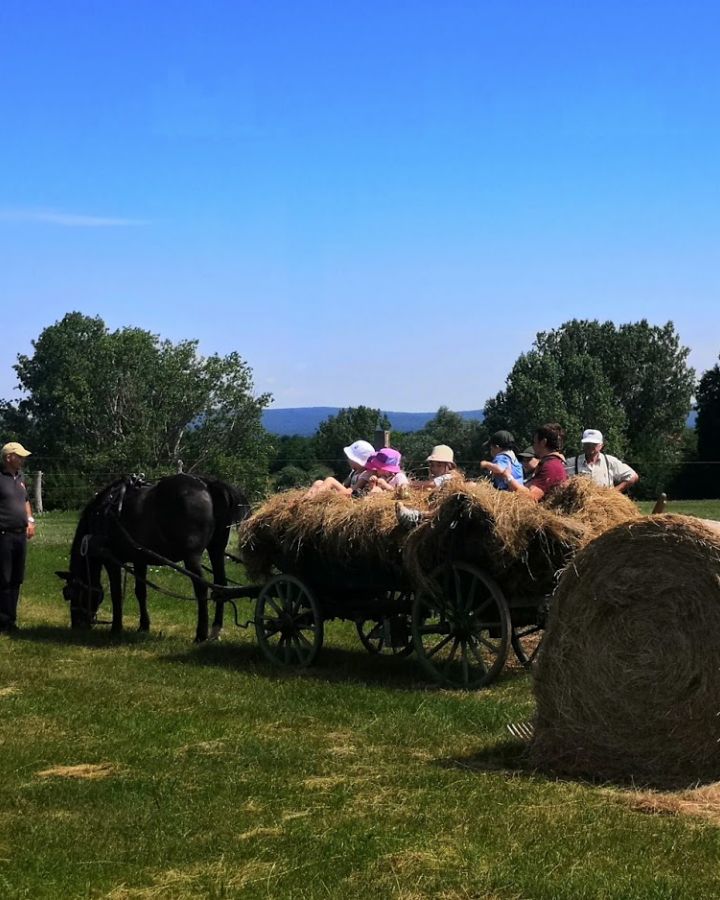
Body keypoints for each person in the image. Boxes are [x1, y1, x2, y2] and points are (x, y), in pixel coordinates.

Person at [0, 442, 36, 634]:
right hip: (3, 535)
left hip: (20, 535)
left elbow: (25, 501)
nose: (22, 459)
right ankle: (3, 621)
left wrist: (30, 520)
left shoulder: (20, 478)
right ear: (8, 457)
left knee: (16, 578)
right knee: (4, 578)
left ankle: (11, 618)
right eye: (19, 456)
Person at [497, 423, 568, 501]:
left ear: (543, 442)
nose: (533, 446)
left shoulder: (552, 467)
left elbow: (531, 497)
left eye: (534, 442)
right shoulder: (550, 463)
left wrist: (508, 477)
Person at [565, 429, 639, 493]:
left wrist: (613, 493)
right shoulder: (571, 463)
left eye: (594, 444)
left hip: (604, 504)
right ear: (583, 444)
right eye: (587, 443)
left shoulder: (609, 461)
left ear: (601, 446)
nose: (590, 446)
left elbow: (633, 476)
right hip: (579, 504)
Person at [305, 439, 375, 498]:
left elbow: (351, 491)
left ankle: (315, 498)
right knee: (318, 482)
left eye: (350, 458)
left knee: (330, 480)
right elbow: (343, 485)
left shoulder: (366, 474)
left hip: (352, 498)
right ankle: (306, 500)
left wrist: (333, 496)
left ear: (356, 460)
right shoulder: (354, 472)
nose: (348, 460)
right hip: (346, 493)